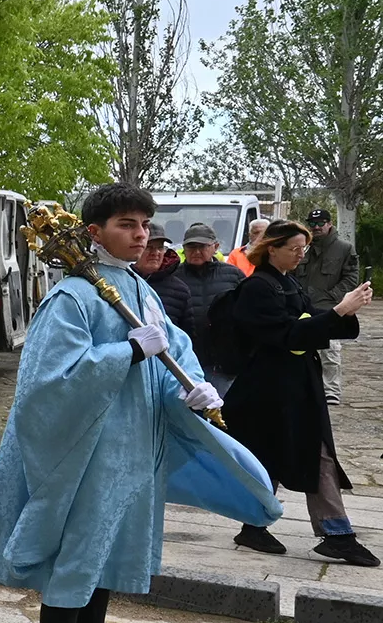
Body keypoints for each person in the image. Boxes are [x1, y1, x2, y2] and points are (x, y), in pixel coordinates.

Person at [0, 184, 280, 623]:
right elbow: (47, 383)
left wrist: (193, 387)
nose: (140, 235)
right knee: (78, 558)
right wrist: (126, 351)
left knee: (104, 555)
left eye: (144, 225)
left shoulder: (137, 289)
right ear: (94, 232)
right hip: (87, 455)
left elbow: (172, 351)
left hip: (132, 452)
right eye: (127, 224)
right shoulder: (73, 298)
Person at [223, 220, 378, 566]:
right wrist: (339, 311)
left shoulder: (287, 282)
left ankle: (256, 526)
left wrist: (346, 311)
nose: (300, 255)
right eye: (294, 248)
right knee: (305, 455)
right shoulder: (256, 289)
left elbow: (308, 322)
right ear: (272, 249)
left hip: (295, 385)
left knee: (278, 457)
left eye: (303, 249)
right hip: (269, 391)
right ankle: (337, 535)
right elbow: (289, 335)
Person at [295, 208, 361, 405]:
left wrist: (334, 297)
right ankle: (306, 389)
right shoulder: (302, 247)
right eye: (312, 224)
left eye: (320, 223)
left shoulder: (344, 248)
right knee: (301, 349)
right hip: (302, 306)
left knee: (330, 350)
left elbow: (351, 277)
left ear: (329, 224)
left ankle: (331, 389)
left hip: (329, 308)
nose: (316, 227)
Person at [176, 222, 247, 394]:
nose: (196, 252)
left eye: (202, 246)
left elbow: (247, 312)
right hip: (186, 360)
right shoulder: (173, 277)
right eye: (191, 247)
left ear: (215, 247)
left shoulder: (233, 275)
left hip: (224, 361)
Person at [135, 223, 193, 334]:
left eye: (160, 247)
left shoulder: (180, 290)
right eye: (149, 247)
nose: (155, 253)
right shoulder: (119, 282)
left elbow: (187, 336)